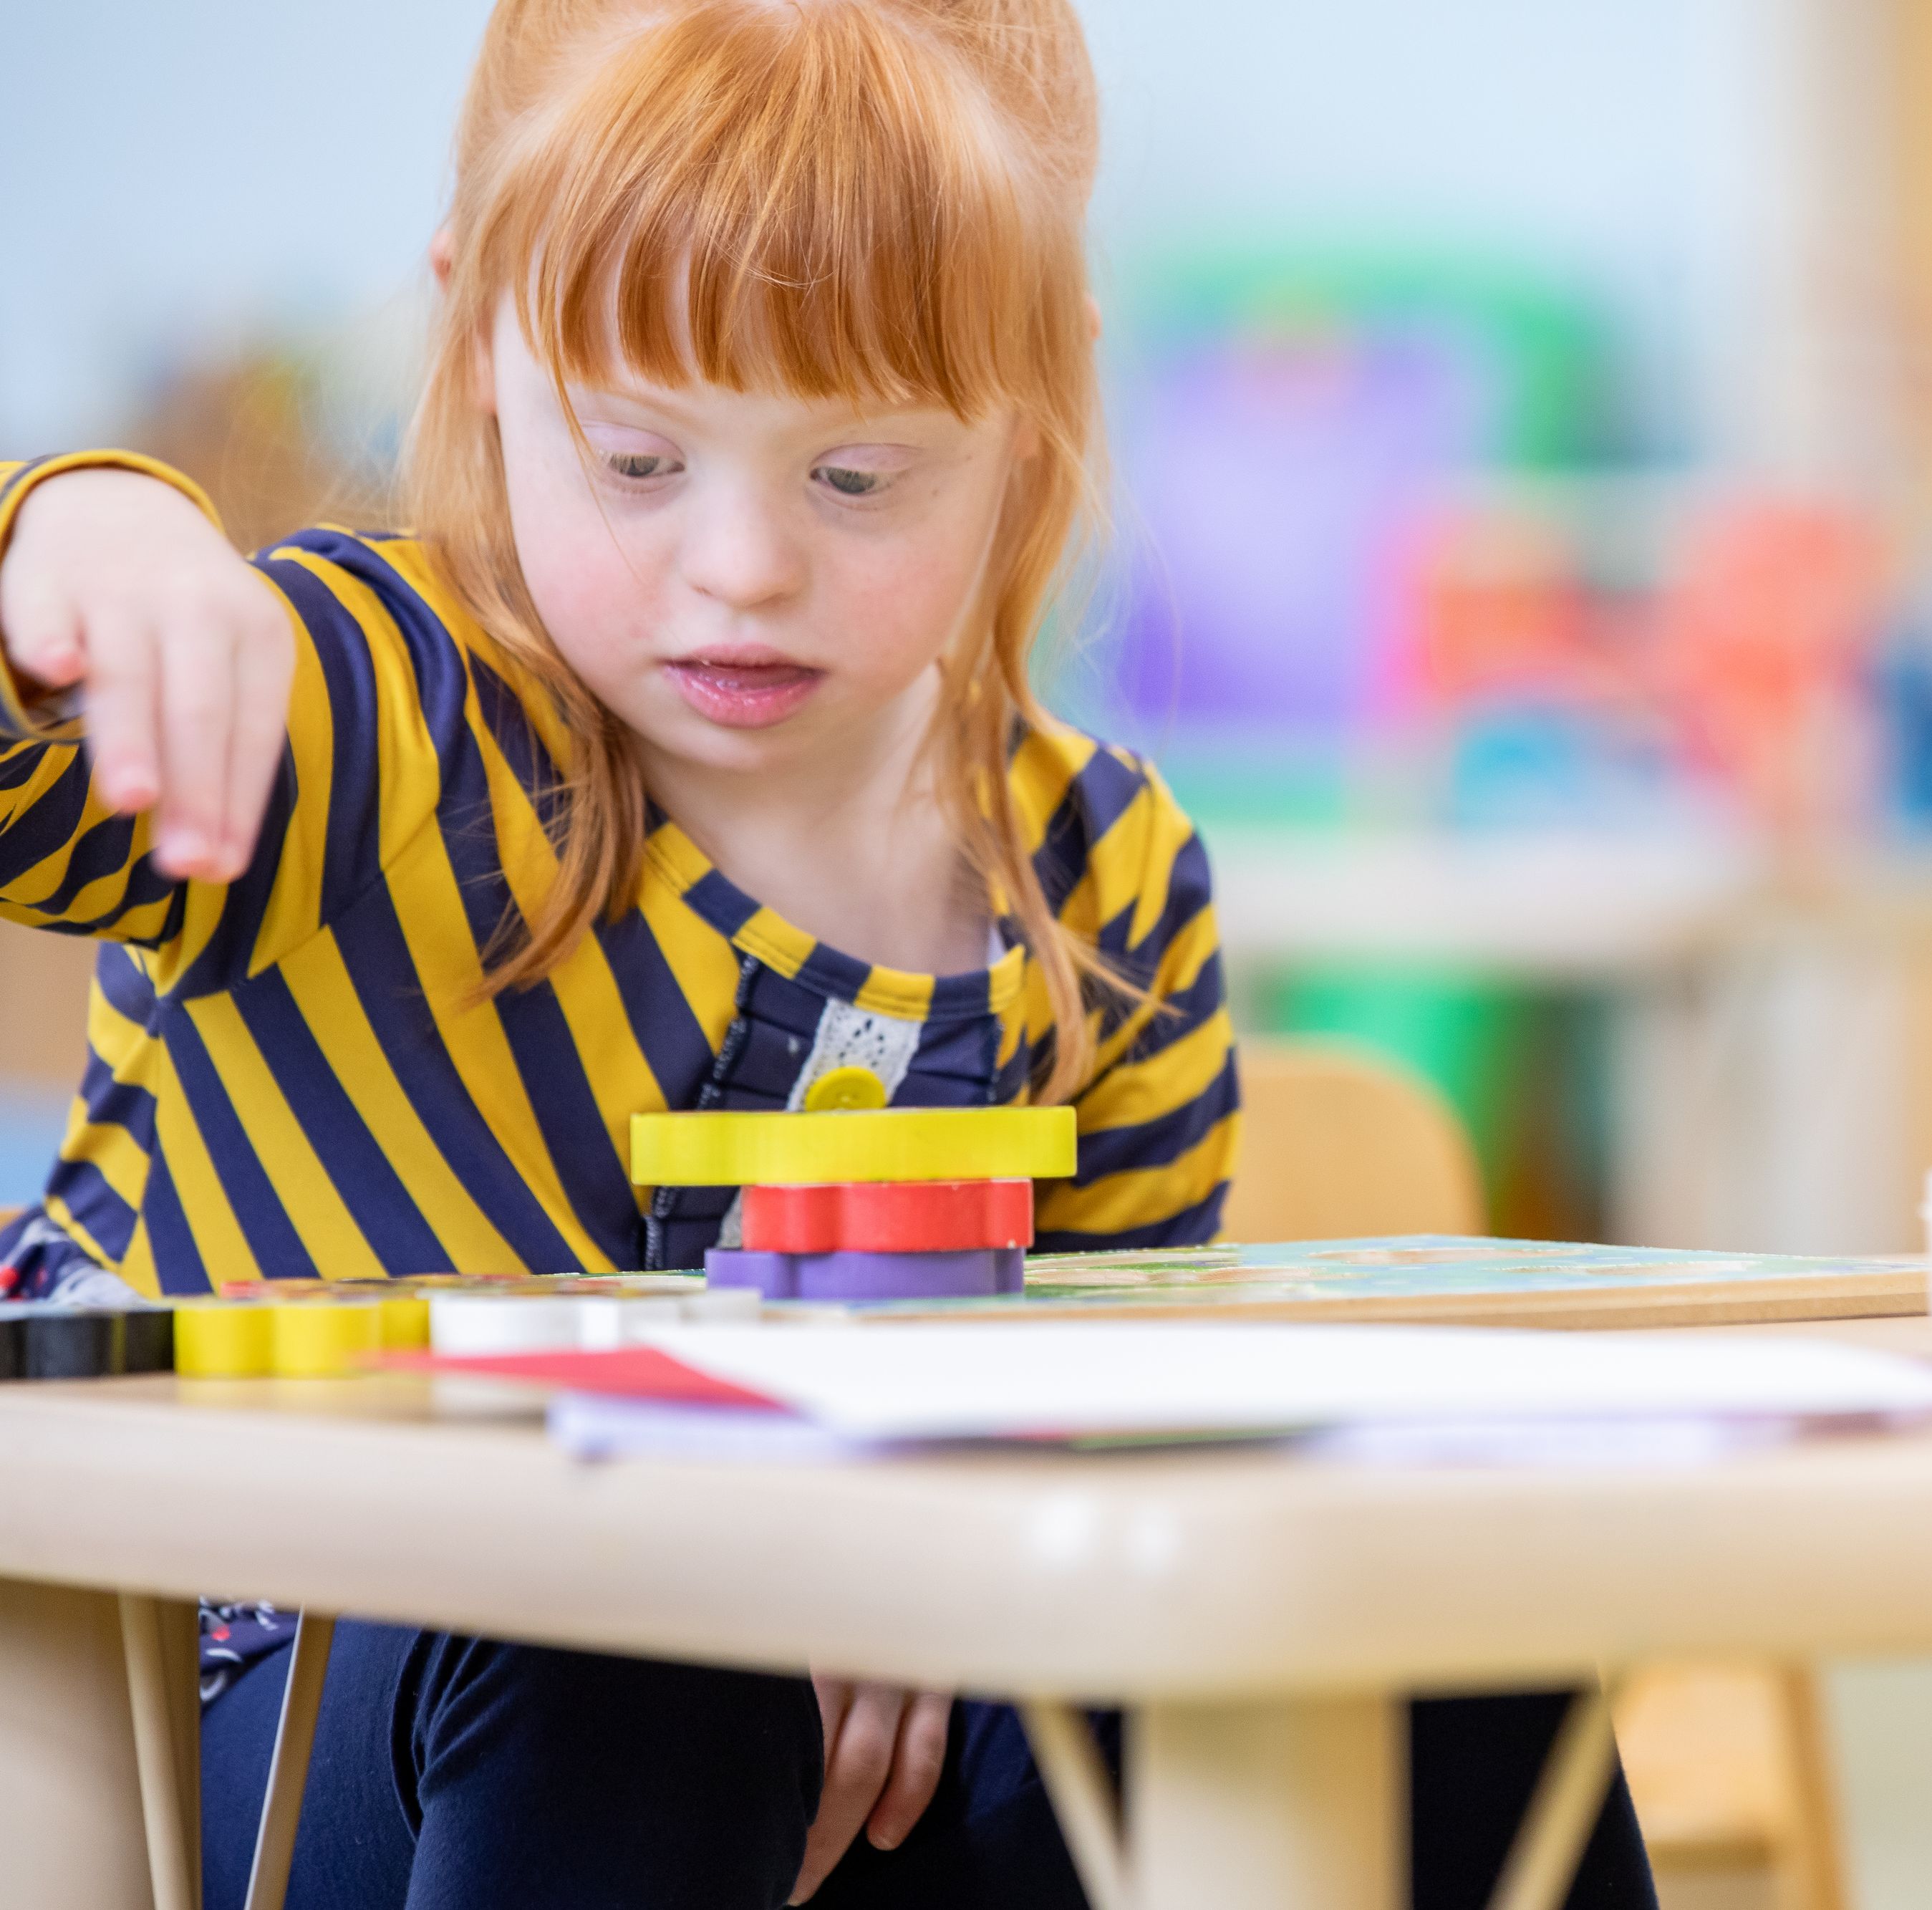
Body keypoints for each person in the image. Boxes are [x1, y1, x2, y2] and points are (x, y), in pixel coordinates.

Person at [0, 1, 1653, 1904]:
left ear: (1038, 397)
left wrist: (940, 1540)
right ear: (477, 347)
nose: (745, 567)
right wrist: (81, 544)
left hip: (863, 1747)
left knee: (1419, 1633)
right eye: (637, 460)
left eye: (856, 478)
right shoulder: (359, 719)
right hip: (286, 1739)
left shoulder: (1100, 887)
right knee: (638, 1618)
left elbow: (1112, 1460)